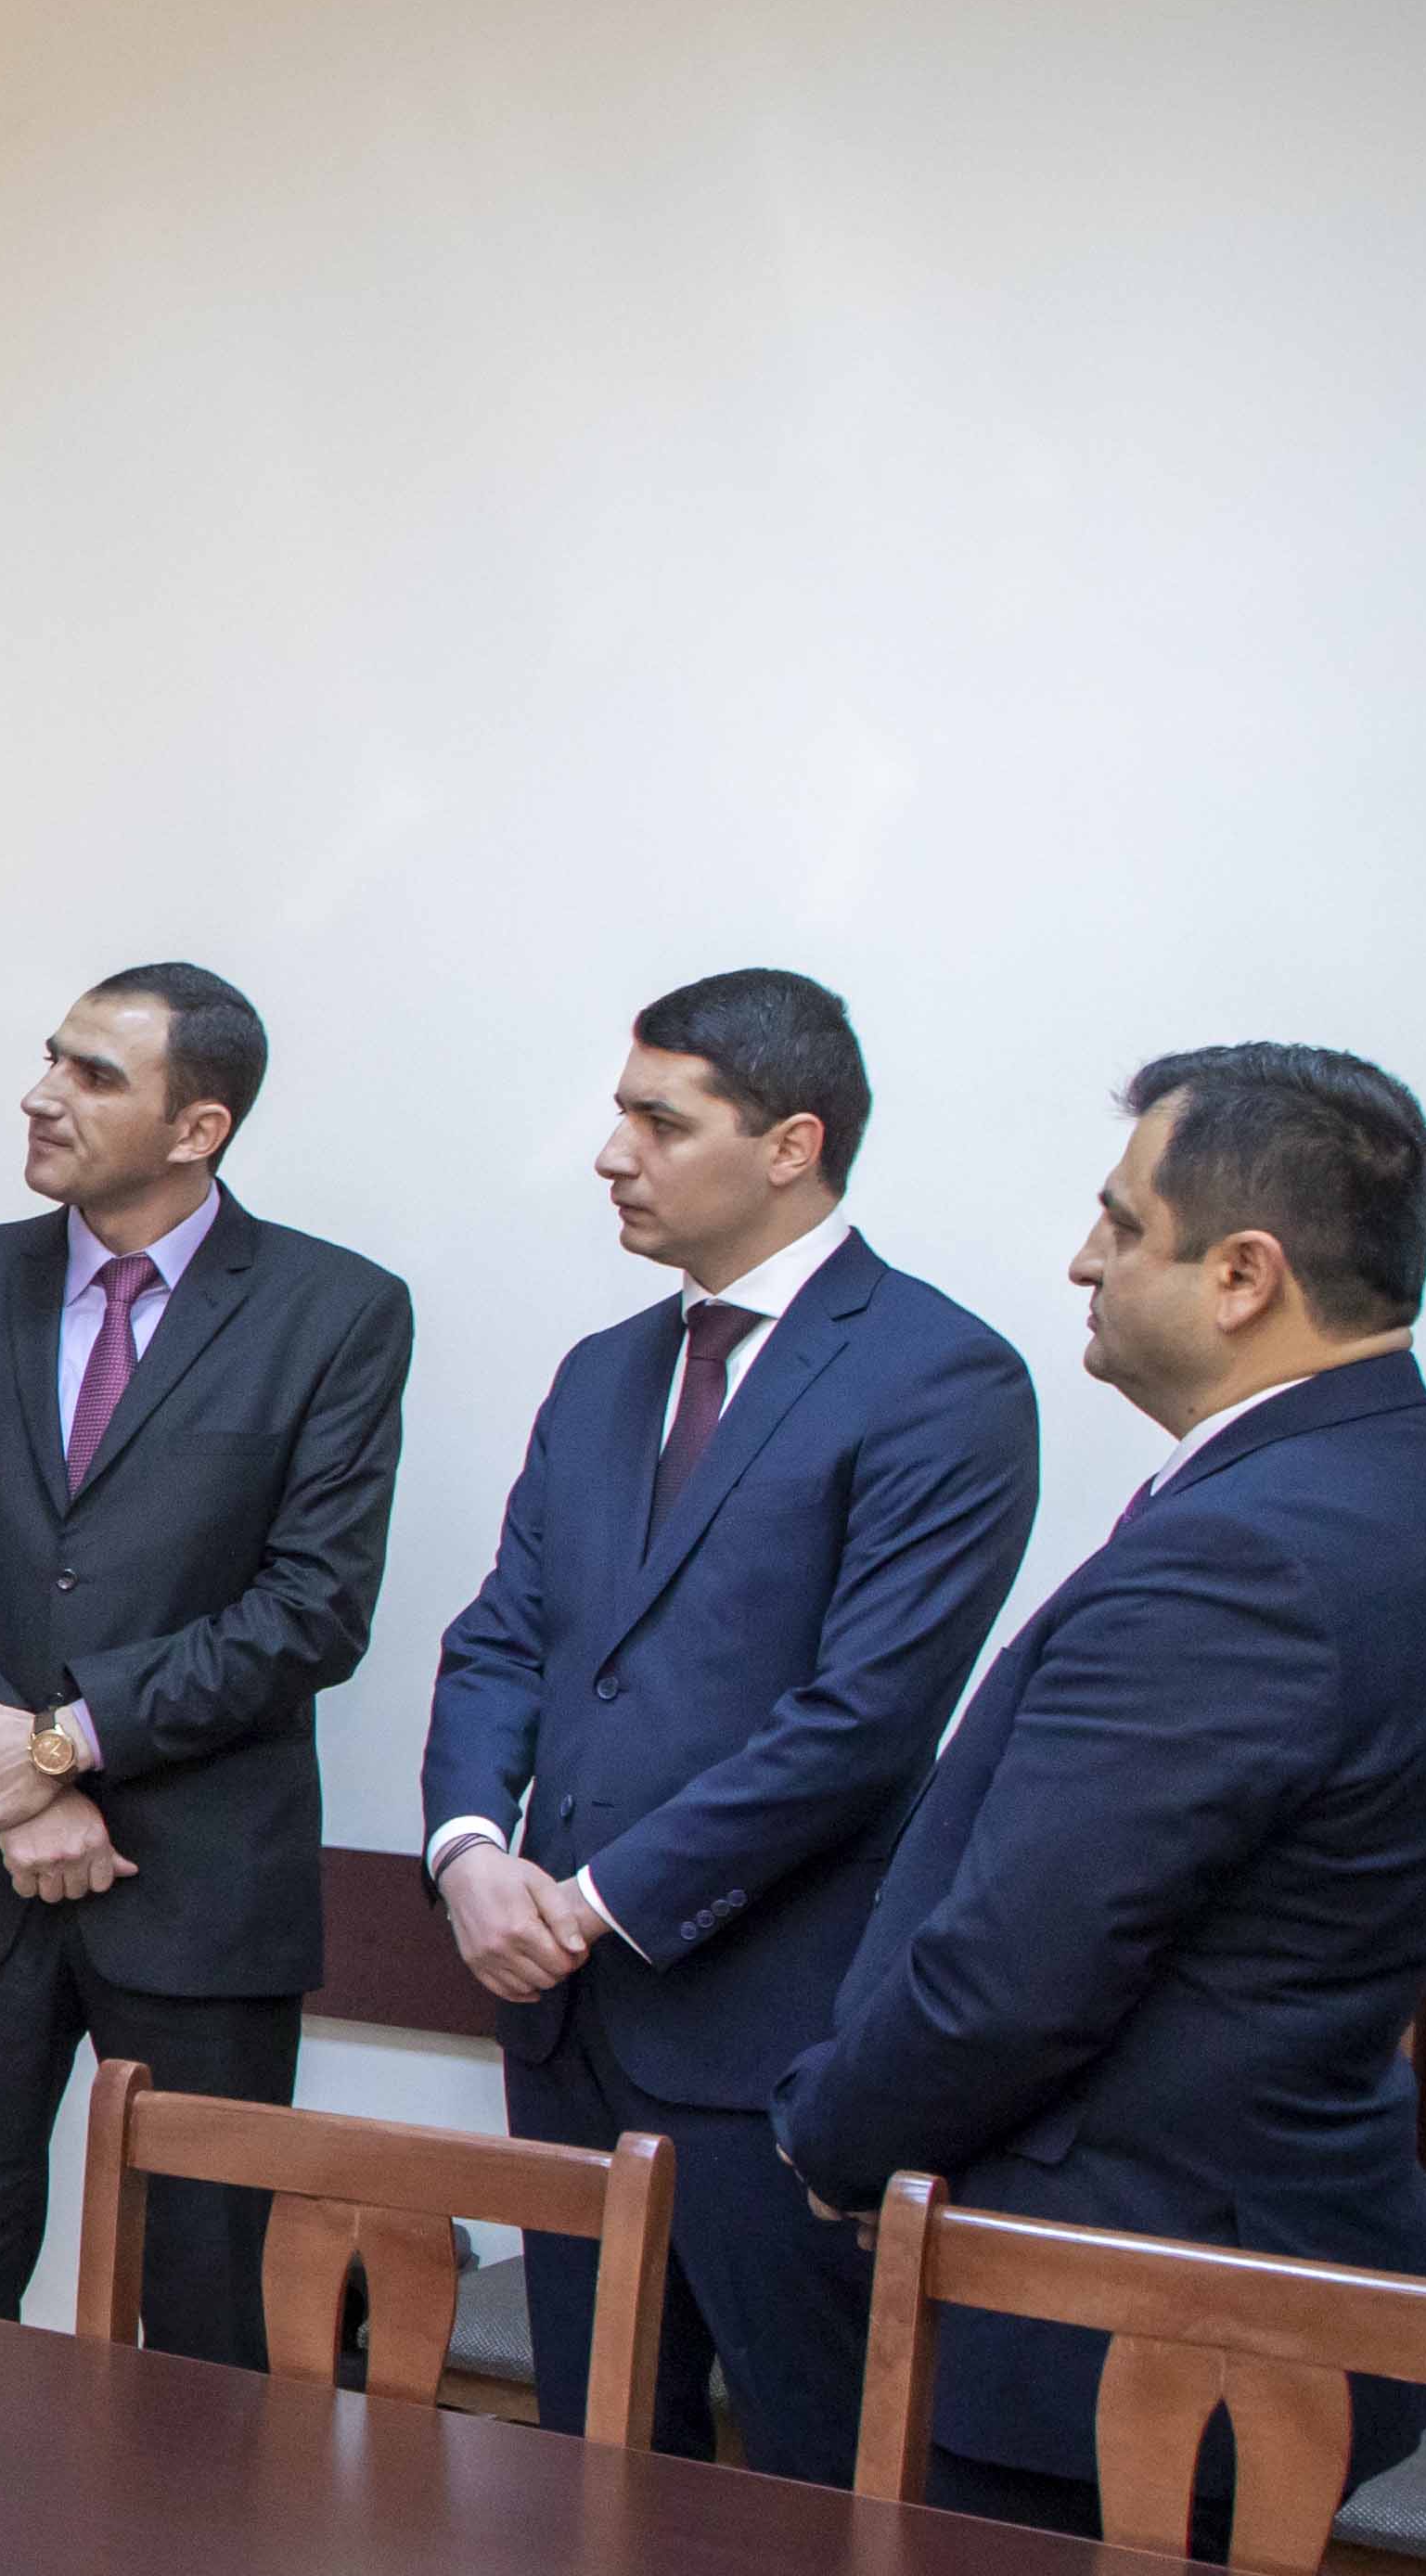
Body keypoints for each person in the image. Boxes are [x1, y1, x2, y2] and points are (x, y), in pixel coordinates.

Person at [773, 1044, 1426, 2533]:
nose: (1083, 1260)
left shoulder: (1252, 1552)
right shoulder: (1406, 1482)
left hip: (1134, 2323)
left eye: (1122, 1224)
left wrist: (830, 2137)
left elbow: (1017, 1973)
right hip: (1242, 2279)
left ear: (1244, 1275)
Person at [416, 971, 1035, 2476]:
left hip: (770, 2035)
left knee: (811, 2487)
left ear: (790, 1145)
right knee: (591, 2465)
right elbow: (505, 1638)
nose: (611, 1154)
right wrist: (470, 1850)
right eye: (619, 1115)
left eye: (659, 1121)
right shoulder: (606, 1370)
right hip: (562, 2031)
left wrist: (595, 1902)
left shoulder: (942, 1377)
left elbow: (863, 1722)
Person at [0, 967, 410, 2357]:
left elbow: (312, 1609)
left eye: (94, 1075)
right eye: (51, 1059)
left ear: (198, 1128)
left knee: (209, 2315)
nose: (42, 1095)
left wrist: (65, 1745)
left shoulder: (336, 1310)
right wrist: (9, 1783)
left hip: (202, 1895)